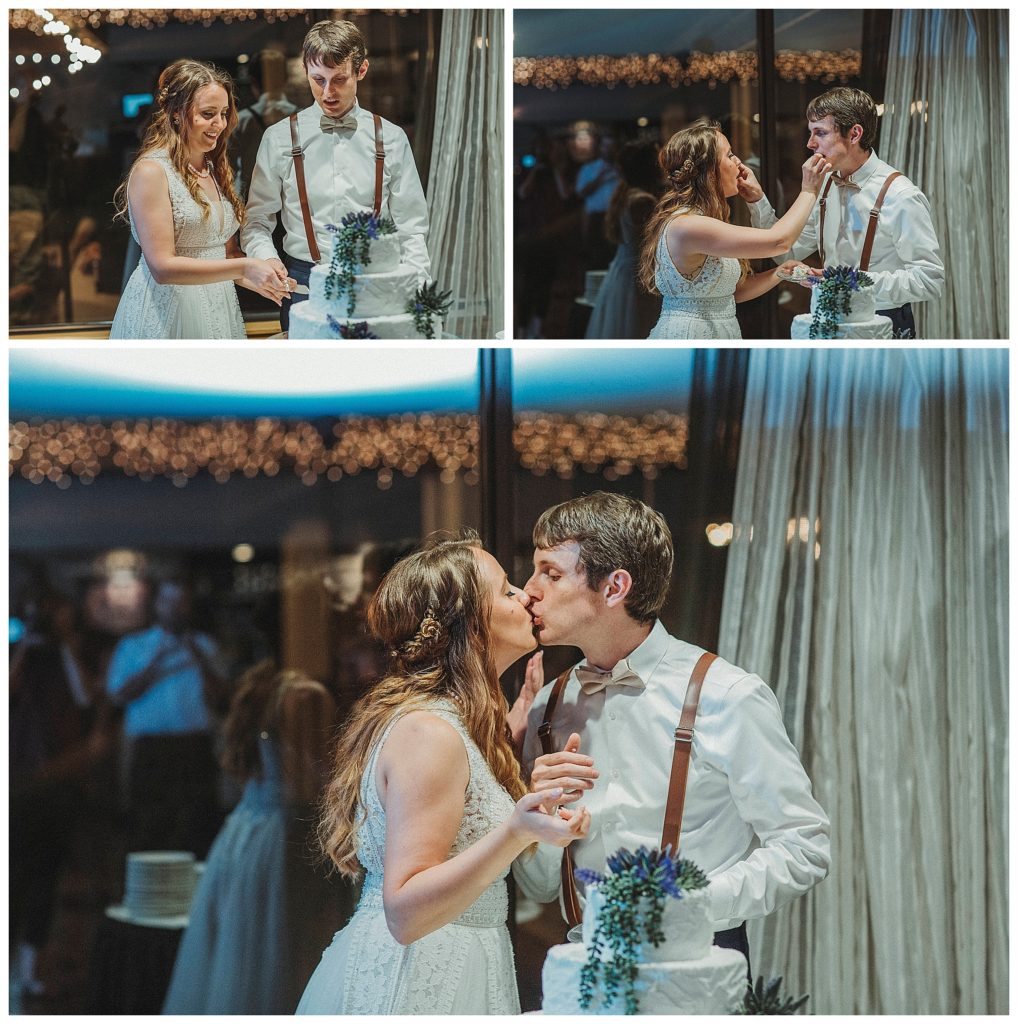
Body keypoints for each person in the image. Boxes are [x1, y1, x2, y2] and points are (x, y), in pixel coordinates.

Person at [513, 492, 831, 969]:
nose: (529, 590)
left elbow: (805, 846)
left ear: (615, 587)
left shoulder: (728, 695)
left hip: (700, 961)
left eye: (550, 573)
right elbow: (539, 888)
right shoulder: (547, 707)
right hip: (583, 964)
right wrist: (542, 815)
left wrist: (689, 904)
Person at [296, 532, 590, 1014]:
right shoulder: (429, 733)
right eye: (506, 590)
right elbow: (406, 913)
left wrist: (510, 743)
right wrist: (516, 831)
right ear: (470, 624)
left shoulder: (460, 726)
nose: (525, 595)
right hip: (416, 976)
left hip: (467, 960)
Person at [163, 662, 353, 1013]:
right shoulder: (305, 700)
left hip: (246, 832)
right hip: (285, 839)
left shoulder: (269, 709)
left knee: (243, 948)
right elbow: (314, 782)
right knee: (284, 948)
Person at [242, 20, 430, 333]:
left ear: (361, 70)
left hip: (375, 285)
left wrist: (416, 288)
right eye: (318, 79)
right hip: (302, 285)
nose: (328, 92)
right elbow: (257, 221)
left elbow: (411, 227)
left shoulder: (392, 138)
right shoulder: (279, 138)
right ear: (305, 71)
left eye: (339, 79)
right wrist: (267, 260)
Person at [110, 58, 293, 339]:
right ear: (176, 113)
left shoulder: (214, 169)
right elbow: (162, 267)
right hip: (168, 310)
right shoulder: (152, 171)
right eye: (208, 114)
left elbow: (225, 255)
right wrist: (246, 266)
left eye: (223, 113)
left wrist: (262, 281)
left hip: (218, 305)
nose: (219, 124)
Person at [741, 87, 944, 338]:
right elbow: (788, 252)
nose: (810, 143)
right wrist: (757, 200)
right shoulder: (825, 184)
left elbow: (929, 279)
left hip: (883, 323)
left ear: (854, 134)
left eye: (820, 132)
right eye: (810, 132)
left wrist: (852, 284)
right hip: (826, 318)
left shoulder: (901, 195)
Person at [640, 118, 831, 339]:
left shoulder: (702, 220)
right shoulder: (687, 225)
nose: (739, 162)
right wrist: (809, 190)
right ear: (709, 169)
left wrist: (780, 272)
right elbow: (779, 242)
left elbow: (733, 292)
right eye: (729, 155)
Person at [9, 591, 111, 998]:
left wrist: (65, 644)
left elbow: (87, 697)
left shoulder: (73, 656)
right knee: (12, 879)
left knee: (43, 880)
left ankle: (29, 968)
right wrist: (24, 644)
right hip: (17, 783)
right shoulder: (22, 655)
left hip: (57, 787)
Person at [105, 578, 227, 856]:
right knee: (149, 825)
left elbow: (222, 698)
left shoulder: (205, 645)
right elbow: (118, 695)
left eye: (181, 602)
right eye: (168, 601)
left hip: (194, 746)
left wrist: (200, 659)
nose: (175, 608)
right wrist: (155, 661)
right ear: (157, 605)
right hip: (151, 749)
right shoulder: (134, 645)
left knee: (198, 824)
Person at [585, 139, 663, 339]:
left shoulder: (630, 195)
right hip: (639, 277)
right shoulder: (642, 201)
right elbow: (656, 244)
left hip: (626, 271)